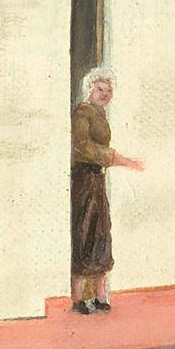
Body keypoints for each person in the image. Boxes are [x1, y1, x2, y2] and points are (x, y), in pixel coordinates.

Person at [69, 69, 145, 314]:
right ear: (90, 89)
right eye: (100, 90)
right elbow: (83, 148)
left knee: (101, 232)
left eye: (108, 91)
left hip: (96, 180)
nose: (105, 94)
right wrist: (120, 159)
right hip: (84, 179)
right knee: (85, 232)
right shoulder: (82, 112)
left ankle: (101, 295)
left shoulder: (99, 114)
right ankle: (78, 297)